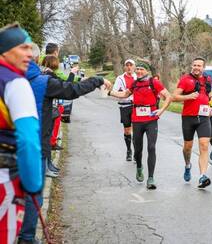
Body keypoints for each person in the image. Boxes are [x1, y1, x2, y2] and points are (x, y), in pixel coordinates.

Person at [19, 44, 111, 243]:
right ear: (36, 60)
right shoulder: (42, 82)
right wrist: (97, 80)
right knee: (34, 195)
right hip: (34, 148)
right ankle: (26, 237)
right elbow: (73, 90)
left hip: (10, 147)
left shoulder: (8, 81)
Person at [0, 24, 43, 244]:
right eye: (23, 47)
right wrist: (34, 184)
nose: (30, 54)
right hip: (5, 180)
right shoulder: (15, 83)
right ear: (5, 51)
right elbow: (28, 140)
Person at [108, 61, 171, 190]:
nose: (139, 71)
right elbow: (124, 94)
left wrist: (162, 110)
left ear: (147, 71)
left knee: (151, 147)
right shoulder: (134, 83)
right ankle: (139, 167)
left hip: (151, 119)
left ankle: (151, 178)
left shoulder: (154, 82)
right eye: (138, 69)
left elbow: (168, 96)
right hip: (137, 120)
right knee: (138, 149)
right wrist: (109, 92)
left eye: (142, 69)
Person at [173, 57, 212, 189]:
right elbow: (174, 96)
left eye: (199, 65)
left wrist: (211, 107)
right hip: (188, 118)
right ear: (192, 66)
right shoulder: (185, 79)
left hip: (204, 117)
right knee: (188, 147)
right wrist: (188, 97)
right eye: (194, 65)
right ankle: (187, 165)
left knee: (204, 145)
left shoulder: (208, 80)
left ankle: (202, 176)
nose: (196, 67)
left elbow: (210, 96)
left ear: (203, 68)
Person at [112, 59, 137, 162]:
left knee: (136, 130)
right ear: (124, 67)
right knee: (127, 130)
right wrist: (120, 93)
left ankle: (136, 152)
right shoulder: (120, 78)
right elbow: (114, 92)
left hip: (136, 106)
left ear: (134, 67)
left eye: (131, 65)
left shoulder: (137, 77)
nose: (129, 67)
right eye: (127, 65)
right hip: (124, 106)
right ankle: (128, 150)